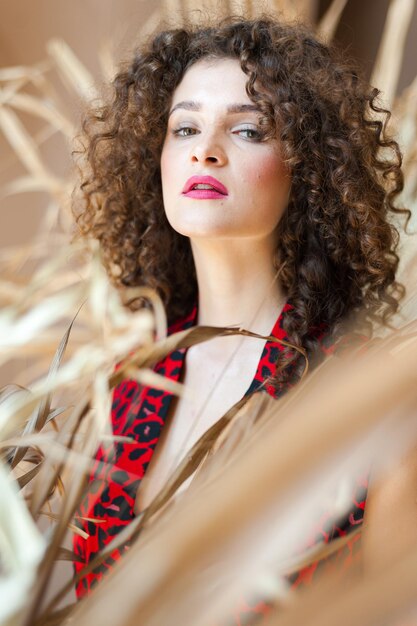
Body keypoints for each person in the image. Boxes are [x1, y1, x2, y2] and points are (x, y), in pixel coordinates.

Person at [71, 15, 411, 622]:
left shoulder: (365, 396)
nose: (205, 149)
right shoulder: (128, 387)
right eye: (185, 127)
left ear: (307, 166)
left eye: (249, 129)